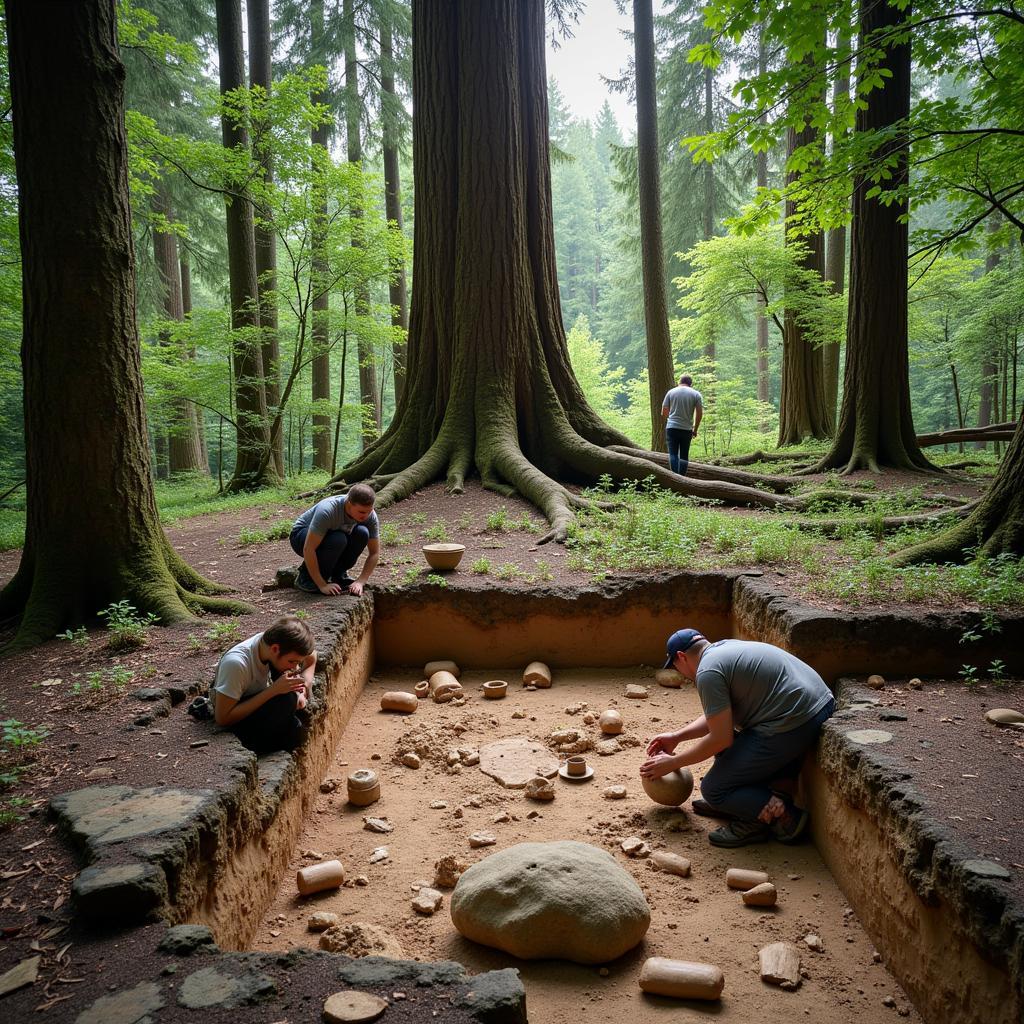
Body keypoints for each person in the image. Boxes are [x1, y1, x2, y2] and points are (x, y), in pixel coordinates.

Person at [641, 629, 835, 848]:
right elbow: (719, 716)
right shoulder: (724, 649)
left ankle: (784, 818)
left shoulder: (708, 672)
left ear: (681, 657)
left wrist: (674, 762)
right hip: (816, 704)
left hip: (797, 720)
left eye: (675, 665)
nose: (681, 673)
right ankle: (740, 802)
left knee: (715, 789)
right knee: (727, 754)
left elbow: (721, 738)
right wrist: (677, 736)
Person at [212, 615, 317, 756]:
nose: (296, 666)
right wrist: (274, 690)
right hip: (239, 717)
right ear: (275, 649)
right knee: (288, 706)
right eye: (292, 662)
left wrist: (303, 687)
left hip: (262, 697)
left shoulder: (269, 645)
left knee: (295, 713)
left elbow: (312, 657)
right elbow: (223, 718)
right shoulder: (237, 664)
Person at [290, 483, 380, 596]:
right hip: (301, 536)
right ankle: (306, 578)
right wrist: (322, 585)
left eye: (369, 511)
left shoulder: (370, 516)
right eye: (362, 512)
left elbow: (374, 553)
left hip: (333, 535)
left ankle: (338, 575)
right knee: (338, 539)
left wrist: (361, 581)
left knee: (362, 533)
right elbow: (309, 548)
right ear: (349, 503)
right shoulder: (328, 510)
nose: (366, 516)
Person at [661, 374, 703, 476]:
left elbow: (664, 412)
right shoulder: (696, 394)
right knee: (684, 455)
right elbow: (699, 413)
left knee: (673, 454)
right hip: (687, 429)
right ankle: (682, 478)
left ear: (679, 382)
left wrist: (670, 419)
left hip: (672, 428)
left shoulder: (671, 392)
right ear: (690, 384)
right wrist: (695, 429)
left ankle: (675, 478)